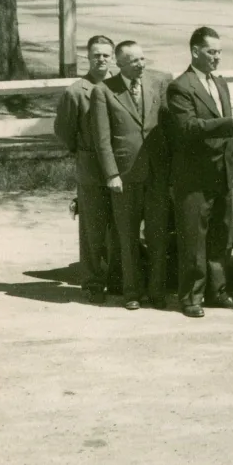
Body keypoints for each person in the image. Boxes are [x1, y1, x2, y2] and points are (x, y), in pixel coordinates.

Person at [166, 27, 233, 318]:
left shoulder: (221, 83)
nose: (217, 57)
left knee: (221, 237)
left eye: (219, 52)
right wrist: (229, 121)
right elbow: (188, 128)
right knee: (194, 239)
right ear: (195, 52)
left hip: (222, 174)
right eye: (211, 52)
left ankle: (218, 291)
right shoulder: (181, 87)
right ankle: (191, 297)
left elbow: (228, 135)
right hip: (195, 177)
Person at [90, 40, 171, 311]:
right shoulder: (103, 91)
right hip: (124, 177)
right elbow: (102, 140)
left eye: (143, 59)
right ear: (120, 63)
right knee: (127, 237)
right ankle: (132, 292)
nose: (142, 64)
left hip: (156, 174)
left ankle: (157, 292)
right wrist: (112, 173)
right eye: (135, 61)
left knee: (158, 235)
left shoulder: (155, 85)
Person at [53, 35, 118, 304]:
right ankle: (93, 282)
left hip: (120, 166)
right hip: (92, 168)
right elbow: (65, 130)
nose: (101, 60)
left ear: (113, 57)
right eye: (95, 55)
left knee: (120, 227)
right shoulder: (76, 92)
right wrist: (83, 153)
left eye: (105, 55)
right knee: (93, 228)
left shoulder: (120, 85)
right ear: (87, 58)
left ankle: (117, 278)